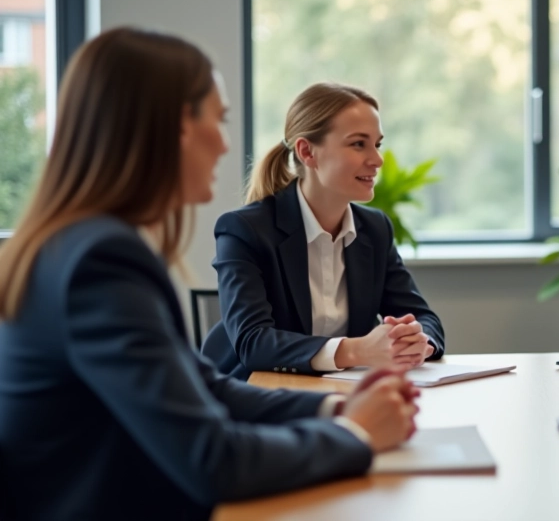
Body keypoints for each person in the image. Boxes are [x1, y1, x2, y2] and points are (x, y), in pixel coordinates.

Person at [0, 28, 419, 520]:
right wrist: (356, 434)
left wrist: (335, 409)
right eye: (217, 121)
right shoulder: (101, 263)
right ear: (177, 126)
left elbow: (205, 387)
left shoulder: (82, 246)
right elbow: (214, 460)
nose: (224, 145)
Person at [200, 82, 444, 380]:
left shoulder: (375, 229)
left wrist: (419, 343)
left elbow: (423, 318)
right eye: (358, 144)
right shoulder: (245, 230)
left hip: (342, 391)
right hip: (252, 394)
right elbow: (253, 342)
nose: (377, 160)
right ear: (307, 152)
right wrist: (357, 350)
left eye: (377, 144)